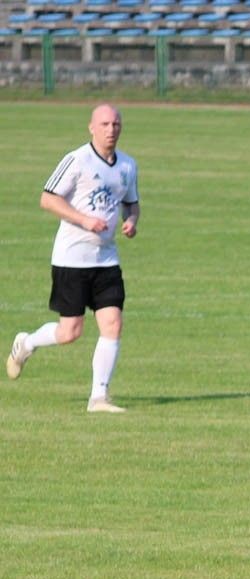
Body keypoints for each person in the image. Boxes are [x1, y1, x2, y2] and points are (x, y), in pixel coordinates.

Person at [7, 104, 140, 414]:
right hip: (72, 259)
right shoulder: (77, 160)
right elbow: (47, 198)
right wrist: (83, 220)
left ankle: (99, 398)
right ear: (91, 127)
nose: (111, 129)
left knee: (113, 323)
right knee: (70, 332)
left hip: (106, 260)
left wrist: (132, 221)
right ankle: (26, 343)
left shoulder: (128, 166)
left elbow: (132, 204)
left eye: (116, 124)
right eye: (105, 124)